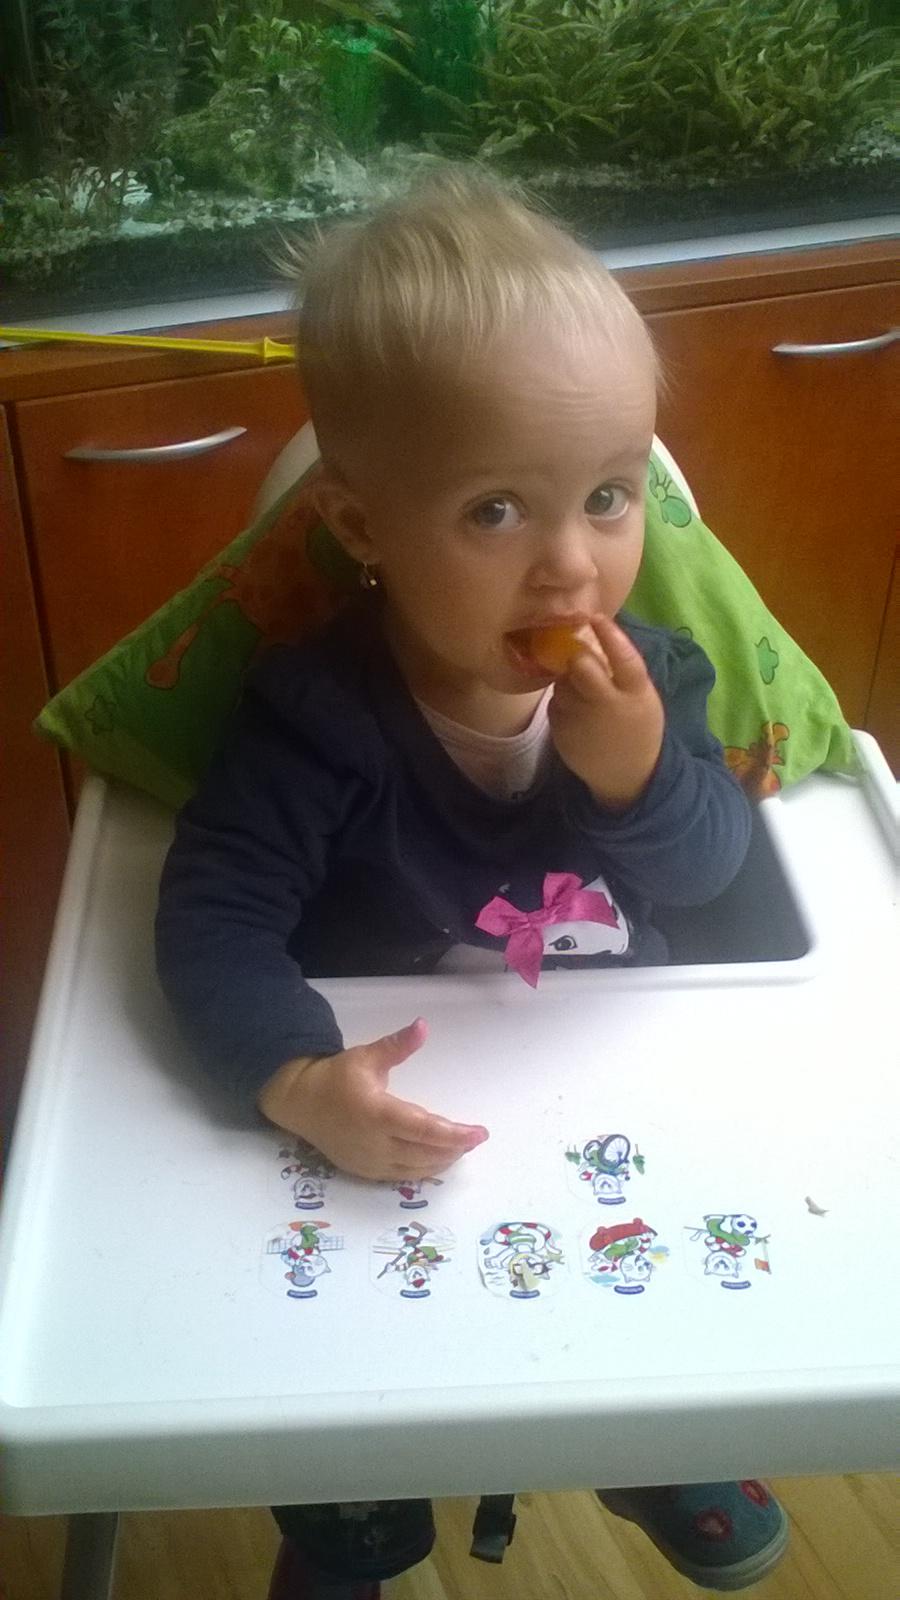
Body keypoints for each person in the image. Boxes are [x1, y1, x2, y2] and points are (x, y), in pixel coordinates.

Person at [156, 169, 787, 1599]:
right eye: (496, 510)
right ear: (363, 526)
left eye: (608, 498)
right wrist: (295, 1077)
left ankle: (655, 1434)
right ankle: (351, 1510)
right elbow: (212, 922)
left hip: (609, 1082)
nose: (572, 567)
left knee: (658, 1278)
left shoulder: (659, 682)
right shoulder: (316, 718)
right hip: (389, 1109)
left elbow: (717, 875)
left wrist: (638, 776)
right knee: (341, 1332)